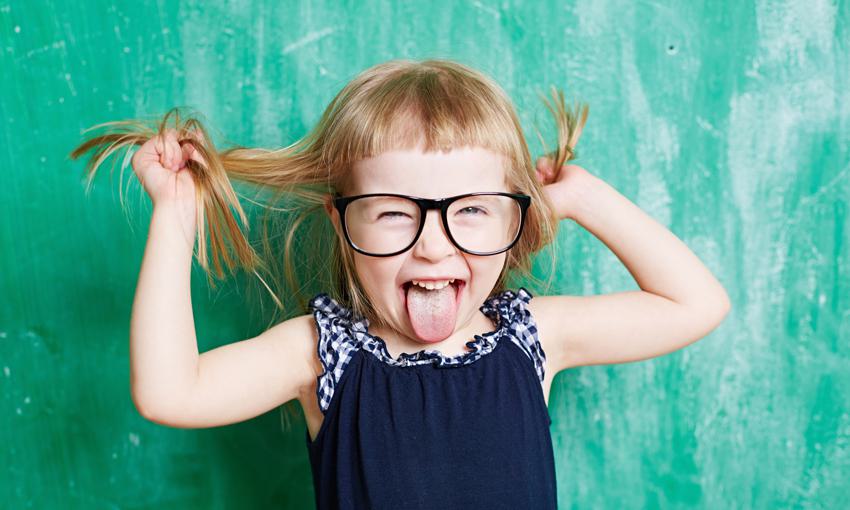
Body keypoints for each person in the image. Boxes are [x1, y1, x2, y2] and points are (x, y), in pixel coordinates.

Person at [69, 58, 731, 509]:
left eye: (471, 210)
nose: (433, 244)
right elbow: (170, 392)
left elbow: (695, 304)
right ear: (341, 220)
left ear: (514, 215)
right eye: (392, 213)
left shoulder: (534, 336)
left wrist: (583, 197)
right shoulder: (320, 352)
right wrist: (175, 215)